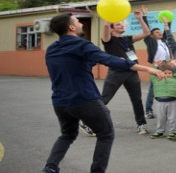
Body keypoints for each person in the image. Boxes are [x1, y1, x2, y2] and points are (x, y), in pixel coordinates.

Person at [41, 13, 164, 173]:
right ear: (71, 27)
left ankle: (50, 168)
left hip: (60, 102)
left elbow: (78, 63)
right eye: (78, 22)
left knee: (67, 135)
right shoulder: (82, 45)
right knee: (105, 135)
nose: (81, 24)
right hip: (84, 99)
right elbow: (111, 60)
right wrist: (148, 68)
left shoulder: (51, 49)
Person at [99, 9, 152, 135]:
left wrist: (140, 19)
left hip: (132, 72)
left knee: (137, 100)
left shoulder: (128, 39)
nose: (121, 25)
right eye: (118, 24)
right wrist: (110, 15)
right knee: (104, 99)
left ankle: (141, 124)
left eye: (122, 24)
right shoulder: (108, 39)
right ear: (112, 29)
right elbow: (106, 25)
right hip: (116, 73)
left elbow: (146, 33)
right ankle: (88, 123)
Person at [140, 6, 170, 120]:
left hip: (167, 66)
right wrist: (144, 16)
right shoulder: (151, 41)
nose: (159, 33)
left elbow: (167, 32)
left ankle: (167, 111)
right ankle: (148, 110)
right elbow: (146, 31)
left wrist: (167, 22)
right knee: (154, 89)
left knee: (168, 88)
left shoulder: (163, 41)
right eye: (156, 32)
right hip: (157, 66)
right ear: (152, 35)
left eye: (159, 32)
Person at [149, 61, 176, 140]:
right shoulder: (156, 79)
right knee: (161, 117)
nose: (167, 75)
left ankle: (173, 132)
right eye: (165, 73)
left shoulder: (175, 78)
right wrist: (156, 65)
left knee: (172, 118)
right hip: (160, 102)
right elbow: (151, 72)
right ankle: (160, 131)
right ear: (160, 73)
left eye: (169, 73)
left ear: (172, 73)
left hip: (172, 102)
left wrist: (175, 65)